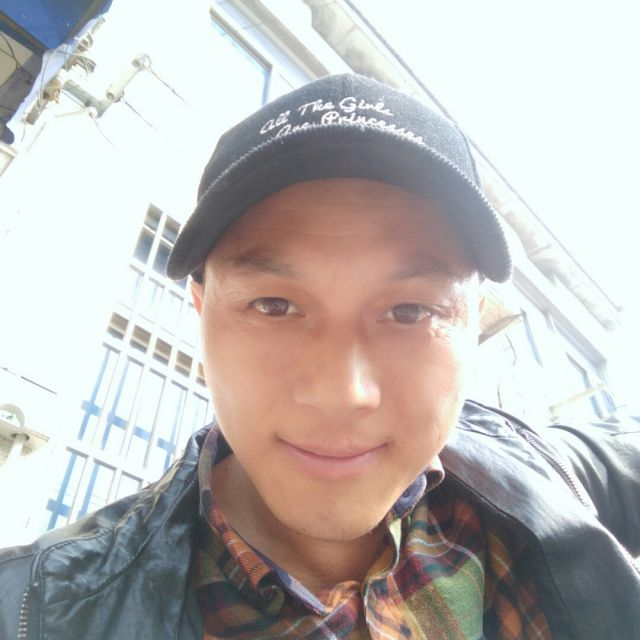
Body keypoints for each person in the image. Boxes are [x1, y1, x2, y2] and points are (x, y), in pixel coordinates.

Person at [1, 74, 638, 640]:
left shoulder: (541, 475)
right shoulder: (32, 610)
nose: (341, 392)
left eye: (409, 311)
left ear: (473, 326)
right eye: (274, 305)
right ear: (201, 314)